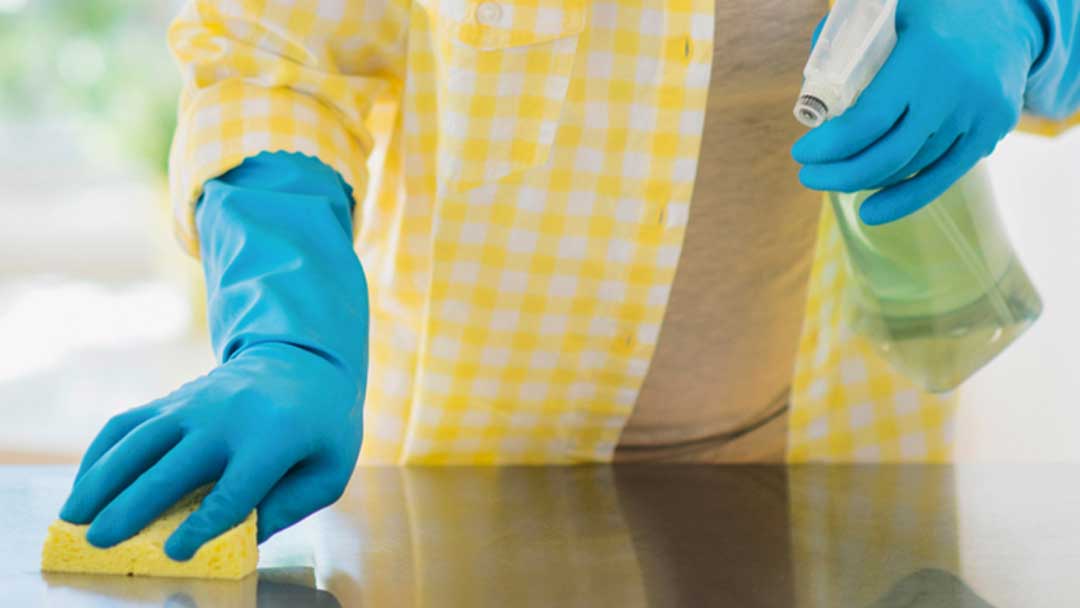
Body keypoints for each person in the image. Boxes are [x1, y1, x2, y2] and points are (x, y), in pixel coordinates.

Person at [59, 0, 1080, 561]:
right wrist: (289, 333)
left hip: (848, 472)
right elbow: (275, 63)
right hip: (474, 507)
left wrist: (1029, 19)